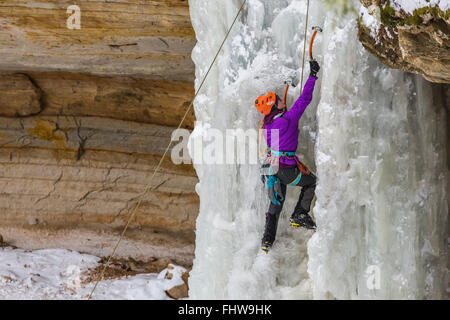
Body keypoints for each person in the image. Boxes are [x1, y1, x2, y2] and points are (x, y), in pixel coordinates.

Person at [254, 60, 320, 252]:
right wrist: (312, 76)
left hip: (272, 169)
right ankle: (299, 214)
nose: (283, 101)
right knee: (311, 182)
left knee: (275, 204)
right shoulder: (288, 120)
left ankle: (267, 241)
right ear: (275, 106)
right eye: (279, 99)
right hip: (285, 169)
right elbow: (304, 99)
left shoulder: (266, 125)